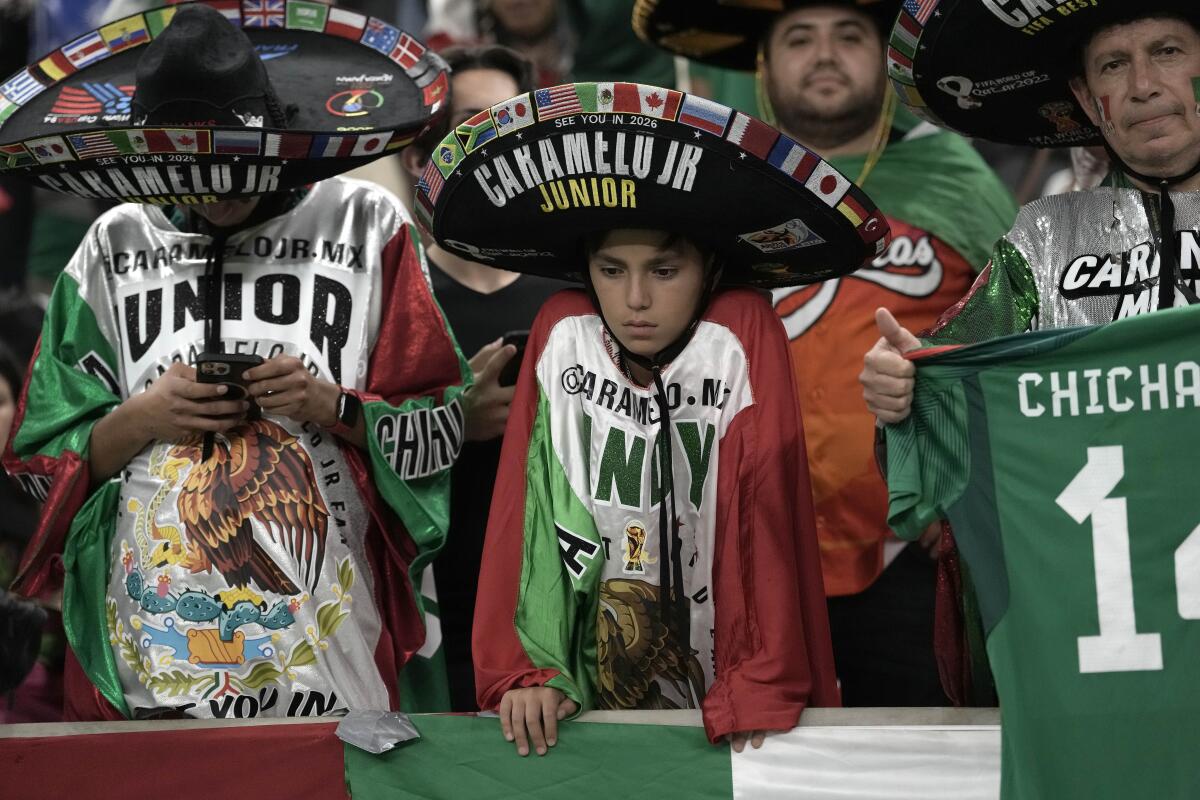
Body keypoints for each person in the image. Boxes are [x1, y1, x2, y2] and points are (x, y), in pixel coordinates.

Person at [2, 5, 468, 720]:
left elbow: (440, 429)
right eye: (192, 174)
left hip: (332, 665)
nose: (216, 194)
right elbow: (31, 470)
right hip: (147, 669)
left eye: (235, 169)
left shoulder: (368, 223)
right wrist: (139, 420)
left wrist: (332, 407)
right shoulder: (109, 245)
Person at [415, 81, 892, 757]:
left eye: (664, 270)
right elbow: (530, 513)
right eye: (611, 270)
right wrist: (532, 666)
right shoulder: (561, 328)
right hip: (584, 681)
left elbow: (760, 520)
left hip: (725, 680)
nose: (635, 299)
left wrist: (756, 678)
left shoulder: (743, 326)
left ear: (710, 268)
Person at [858, 3, 1200, 797]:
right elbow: (945, 409)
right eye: (1114, 66)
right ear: (1085, 99)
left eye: (1168, 51)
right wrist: (904, 394)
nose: (1144, 84)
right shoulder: (1041, 240)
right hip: (1097, 655)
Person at [636, 0, 1017, 706]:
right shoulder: (712, 188)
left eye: (849, 36)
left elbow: (1016, 352)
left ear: (886, 56)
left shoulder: (955, 178)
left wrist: (974, 499)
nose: (825, 54)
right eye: (799, 38)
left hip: (916, 553)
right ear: (762, 64)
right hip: (736, 555)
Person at [400, 44, 562, 712]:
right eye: (471, 127)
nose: (494, 150)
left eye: (511, 128)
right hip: (429, 624)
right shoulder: (386, 299)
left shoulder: (586, 292)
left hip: (564, 623)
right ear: (416, 157)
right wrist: (452, 428)